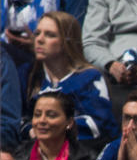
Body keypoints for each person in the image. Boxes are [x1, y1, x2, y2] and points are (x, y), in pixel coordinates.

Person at [25, 11, 118, 145]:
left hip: (83, 155)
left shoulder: (89, 77)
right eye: (37, 33)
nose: (39, 39)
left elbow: (101, 123)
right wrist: (31, 130)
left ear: (66, 42)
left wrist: (57, 128)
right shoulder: (30, 76)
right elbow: (21, 122)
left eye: (50, 35)